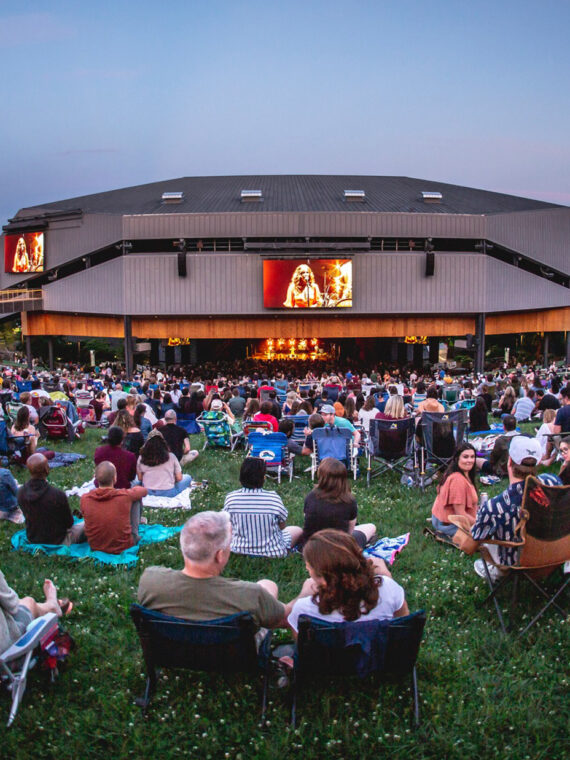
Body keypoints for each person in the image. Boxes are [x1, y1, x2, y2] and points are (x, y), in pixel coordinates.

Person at [137, 511, 286, 632]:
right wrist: (305, 593)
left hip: (173, 650)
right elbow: (285, 618)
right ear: (219, 555)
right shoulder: (250, 594)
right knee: (268, 585)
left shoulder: (150, 581)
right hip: (232, 655)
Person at [287, 530, 408, 636]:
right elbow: (402, 625)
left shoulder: (304, 610)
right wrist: (387, 578)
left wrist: (302, 595)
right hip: (380, 660)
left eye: (309, 567)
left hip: (328, 662)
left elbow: (303, 651)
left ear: (320, 577)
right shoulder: (388, 588)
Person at [468, 436, 545, 580]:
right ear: (538, 462)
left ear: (509, 461)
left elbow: (477, 536)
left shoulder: (495, 506)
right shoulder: (554, 488)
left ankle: (496, 572)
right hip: (550, 556)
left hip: (516, 561)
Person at [222, 457, 302, 557]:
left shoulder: (231, 498)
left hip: (239, 549)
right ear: (263, 477)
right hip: (272, 551)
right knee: (297, 530)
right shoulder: (273, 498)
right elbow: (282, 526)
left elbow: (227, 525)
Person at [301, 458, 376, 548]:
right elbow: (350, 532)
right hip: (339, 549)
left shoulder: (311, 497)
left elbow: (307, 519)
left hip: (311, 547)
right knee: (371, 527)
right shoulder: (349, 501)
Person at [18, 453, 85, 544]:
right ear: (47, 469)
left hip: (33, 538)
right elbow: (69, 523)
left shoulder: (21, 492)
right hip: (59, 540)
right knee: (89, 524)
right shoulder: (57, 495)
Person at [81, 462, 148, 553]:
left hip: (95, 546)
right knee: (135, 499)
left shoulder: (85, 498)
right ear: (114, 478)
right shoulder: (124, 496)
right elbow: (143, 491)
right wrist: (132, 490)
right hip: (124, 546)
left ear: (95, 477)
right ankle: (135, 535)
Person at [0, 572, 71, 653]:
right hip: (6, 648)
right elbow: (12, 604)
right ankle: (51, 607)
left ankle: (48, 606)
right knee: (28, 602)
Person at [431, 443, 479, 537]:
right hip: (448, 525)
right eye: (465, 457)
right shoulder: (457, 480)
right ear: (457, 458)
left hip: (448, 520)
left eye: (472, 457)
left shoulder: (464, 474)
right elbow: (460, 514)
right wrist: (480, 524)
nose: (469, 460)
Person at [136, 431, 192, 497]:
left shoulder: (141, 457)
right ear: (163, 442)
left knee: (135, 480)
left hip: (147, 491)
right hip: (168, 492)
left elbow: (140, 478)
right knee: (188, 477)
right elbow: (179, 478)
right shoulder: (171, 456)